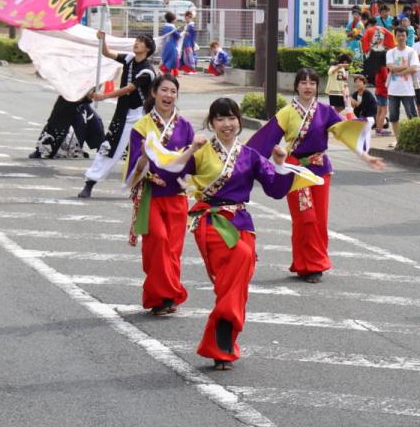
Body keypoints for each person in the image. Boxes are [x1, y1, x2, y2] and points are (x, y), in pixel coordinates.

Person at [149, 97, 320, 370]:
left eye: (231, 118)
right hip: (211, 221)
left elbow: (276, 190)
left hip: (241, 222)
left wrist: (279, 163)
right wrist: (191, 148)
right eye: (220, 119)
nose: (227, 124)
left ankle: (221, 343)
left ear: (239, 121)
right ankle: (223, 335)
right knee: (238, 260)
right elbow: (170, 175)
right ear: (211, 123)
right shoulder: (202, 151)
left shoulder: (250, 155)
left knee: (234, 283)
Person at [247, 68, 385, 283]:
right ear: (296, 86)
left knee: (319, 219)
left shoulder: (325, 111)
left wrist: (366, 157)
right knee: (305, 218)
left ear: (317, 87)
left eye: (312, 83)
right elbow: (265, 139)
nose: (308, 86)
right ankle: (306, 264)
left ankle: (312, 265)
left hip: (320, 169)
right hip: (295, 171)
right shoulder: (287, 112)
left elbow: (345, 133)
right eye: (303, 82)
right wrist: (247, 163)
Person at [124, 74, 196, 315]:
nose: (168, 95)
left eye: (173, 91)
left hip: (177, 194)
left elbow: (193, 161)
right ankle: (166, 295)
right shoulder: (141, 126)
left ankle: (162, 296)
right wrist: (144, 155)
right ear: (154, 93)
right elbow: (133, 165)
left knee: (173, 248)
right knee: (158, 242)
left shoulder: (185, 126)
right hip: (150, 194)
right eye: (164, 90)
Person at [77, 31, 156, 198]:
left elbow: (129, 89)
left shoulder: (148, 71)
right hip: (124, 114)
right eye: (136, 40)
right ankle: (90, 183)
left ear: (147, 48)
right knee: (109, 146)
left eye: (140, 42)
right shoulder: (129, 59)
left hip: (142, 116)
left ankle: (143, 187)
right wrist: (103, 40)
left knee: (148, 151)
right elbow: (106, 53)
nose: (136, 43)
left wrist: (104, 96)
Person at [30, 95, 103, 159]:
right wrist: (100, 146)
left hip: (58, 150)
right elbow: (97, 128)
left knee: (55, 124)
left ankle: (45, 151)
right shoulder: (85, 108)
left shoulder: (63, 103)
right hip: (76, 151)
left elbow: (52, 127)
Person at [385, 26, 420, 145]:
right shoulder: (391, 52)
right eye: (399, 35)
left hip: (408, 90)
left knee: (412, 115)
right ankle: (398, 139)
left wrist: (399, 72)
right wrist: (406, 67)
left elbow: (414, 67)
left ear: (407, 36)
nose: (401, 38)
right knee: (394, 116)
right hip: (393, 90)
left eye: (403, 35)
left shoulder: (411, 51)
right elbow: (390, 67)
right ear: (395, 36)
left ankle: (414, 139)